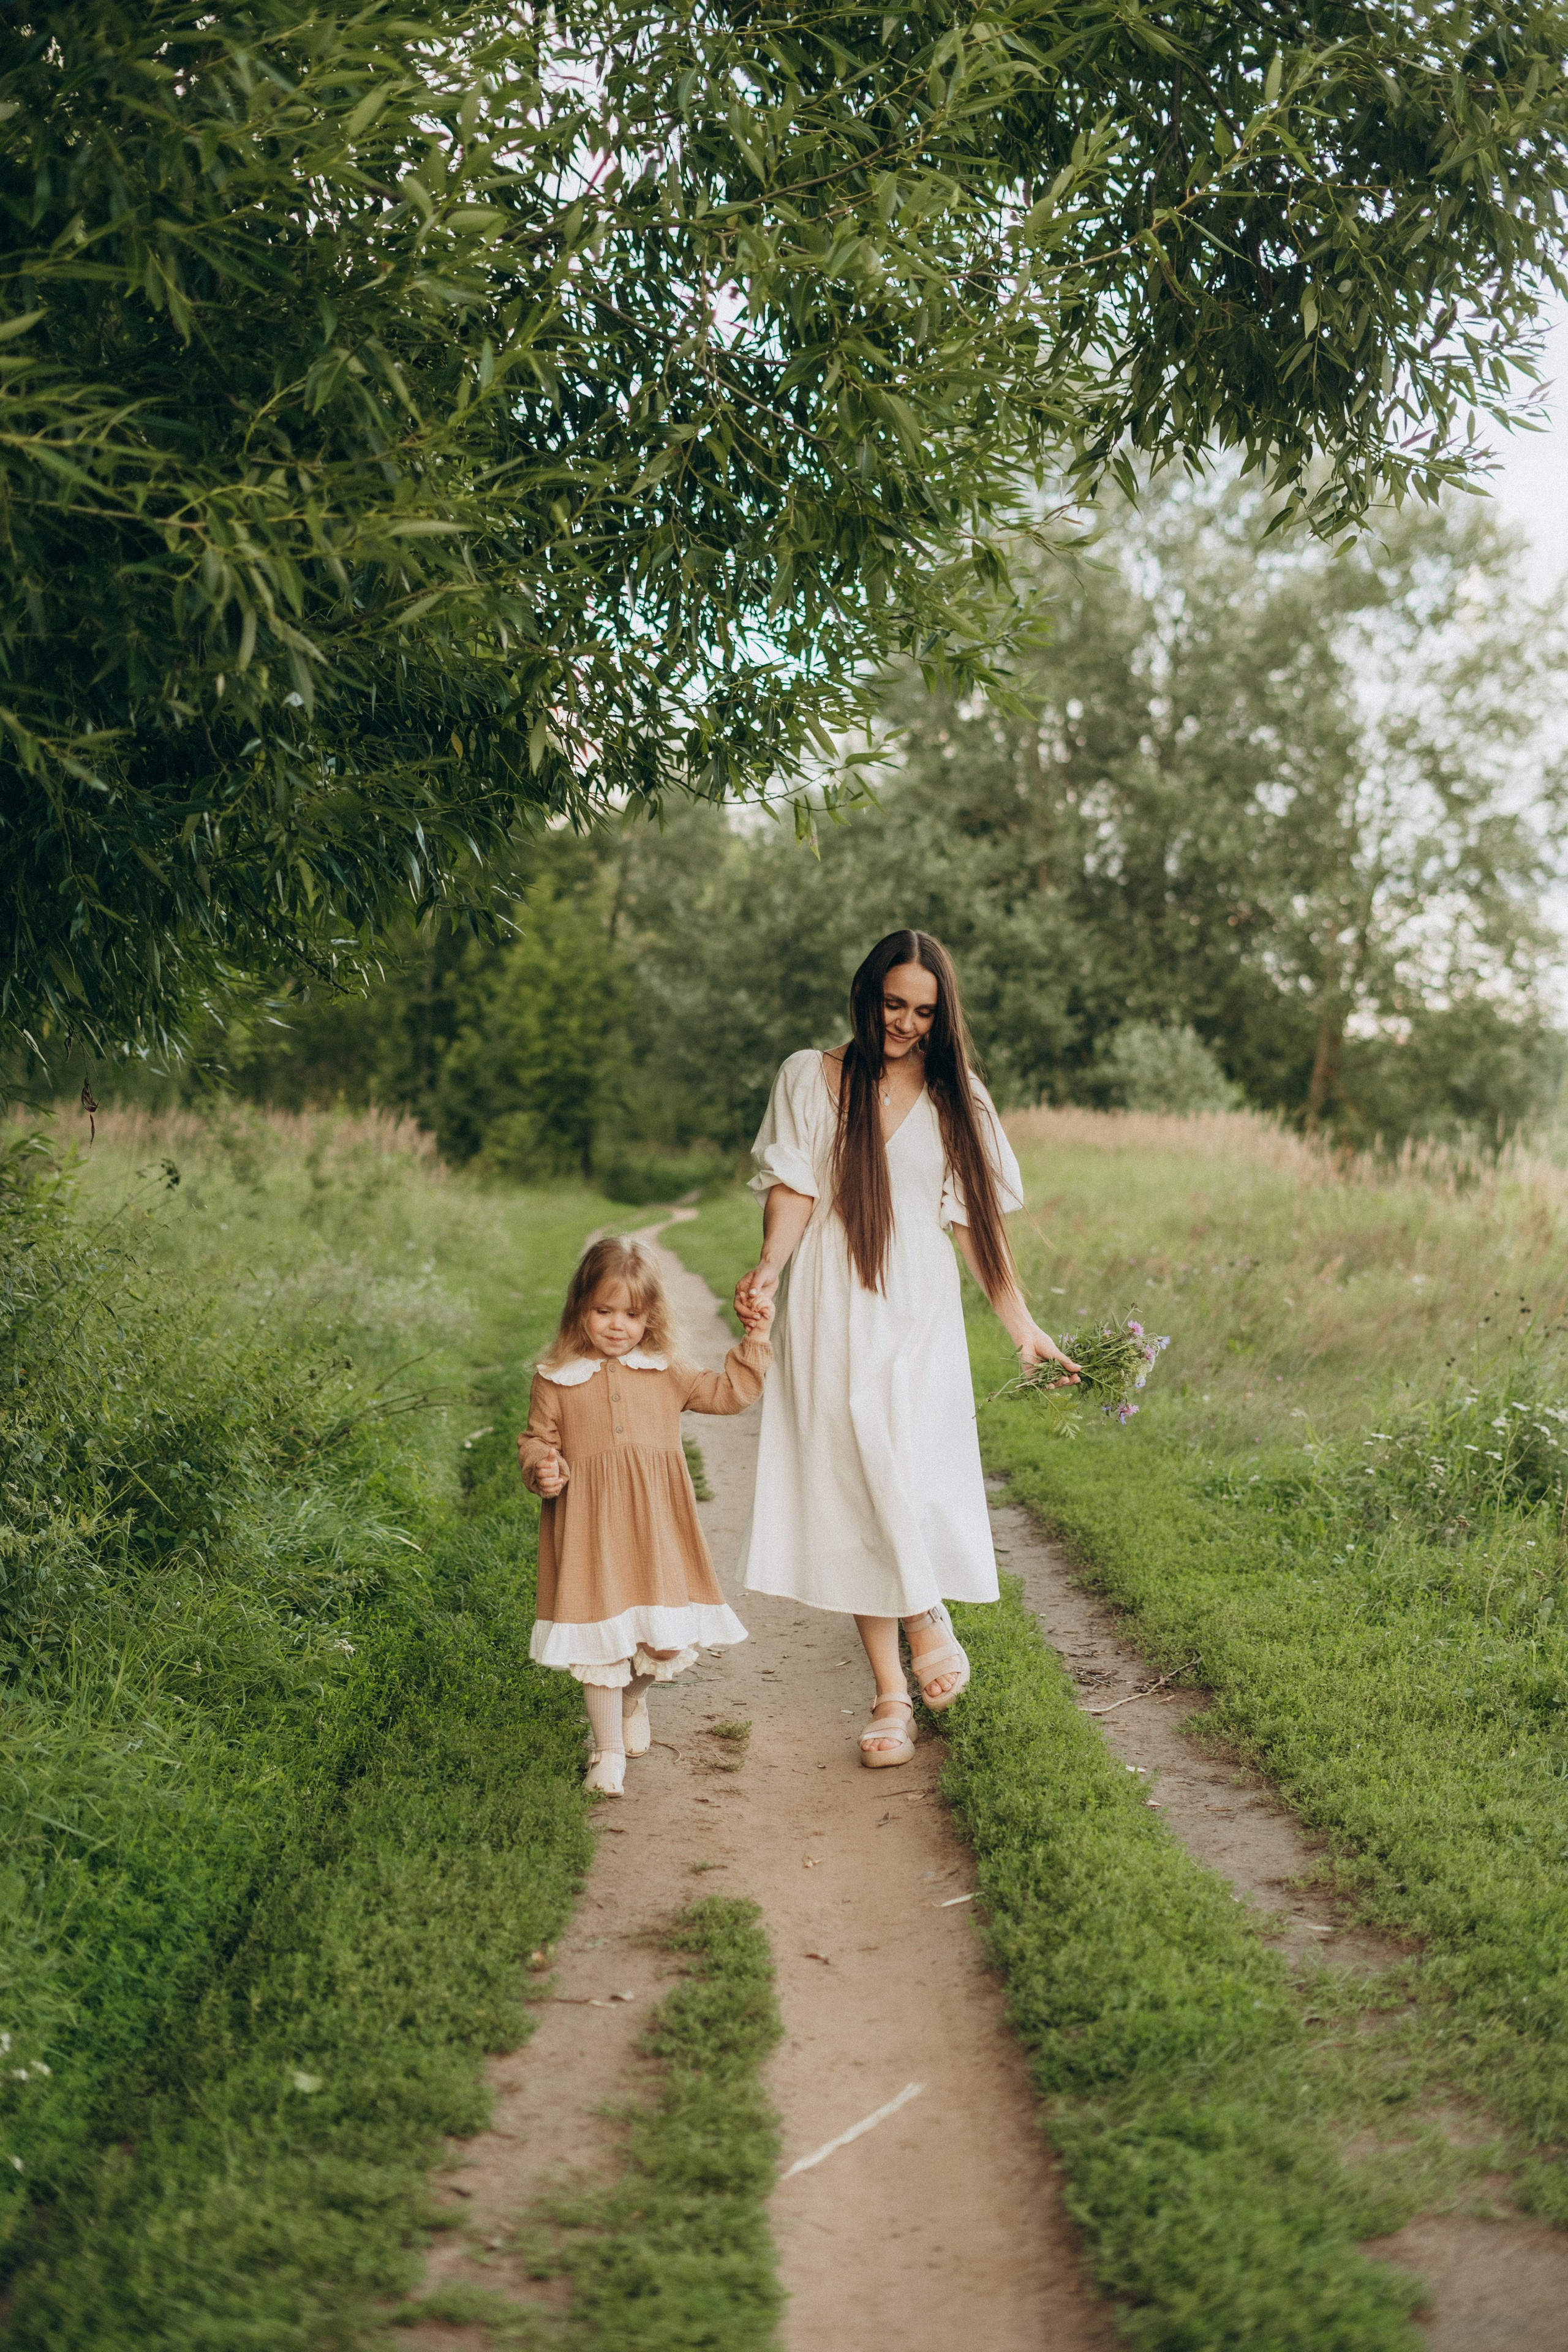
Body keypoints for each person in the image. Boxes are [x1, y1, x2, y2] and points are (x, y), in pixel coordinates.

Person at [734, 931, 1079, 1767]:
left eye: (925, 1012)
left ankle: (923, 1619)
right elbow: (795, 1187)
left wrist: (1023, 1326)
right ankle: (894, 1690)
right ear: (867, 993)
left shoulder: (961, 1099)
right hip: (828, 1295)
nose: (906, 1025)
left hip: (917, 1307)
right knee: (854, 1475)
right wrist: (770, 1272)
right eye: (894, 1004)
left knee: (900, 1465)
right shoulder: (809, 1076)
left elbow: (976, 1227)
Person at [519, 1235, 774, 1795]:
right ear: (579, 1309)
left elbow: (730, 1393)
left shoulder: (665, 1371)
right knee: (602, 1644)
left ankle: (633, 1702)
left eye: (631, 1314)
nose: (617, 1326)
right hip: (590, 1530)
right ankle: (607, 1754)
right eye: (603, 1311)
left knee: (660, 1642)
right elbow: (537, 1441)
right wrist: (545, 1467)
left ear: (650, 1315)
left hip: (657, 1529)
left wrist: (755, 1336)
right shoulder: (555, 1377)